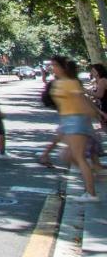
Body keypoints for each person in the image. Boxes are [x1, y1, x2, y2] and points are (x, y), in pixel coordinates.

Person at [47, 56, 98, 201]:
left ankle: (91, 193)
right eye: (52, 65)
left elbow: (82, 102)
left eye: (55, 65)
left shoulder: (71, 83)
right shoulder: (59, 82)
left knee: (78, 156)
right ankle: (89, 177)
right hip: (67, 120)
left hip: (76, 120)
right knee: (67, 156)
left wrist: (94, 115)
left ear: (63, 67)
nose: (53, 68)